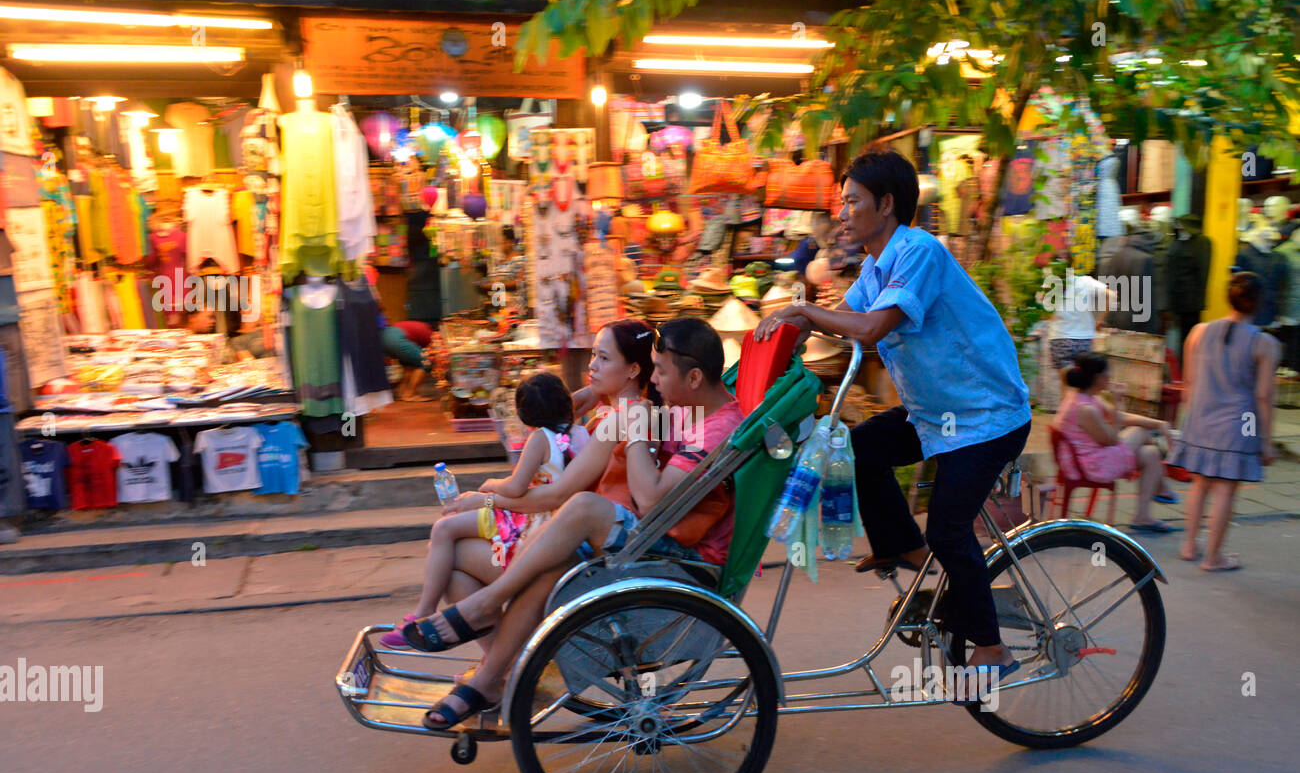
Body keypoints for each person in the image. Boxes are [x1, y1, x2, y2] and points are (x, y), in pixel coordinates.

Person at [754, 146, 1031, 684]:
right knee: (855, 448)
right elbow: (846, 319)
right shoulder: (878, 266)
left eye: (851, 201)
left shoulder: (918, 251)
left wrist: (807, 311)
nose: (841, 213)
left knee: (951, 532)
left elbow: (872, 328)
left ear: (885, 204)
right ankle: (903, 546)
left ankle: (993, 648)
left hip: (987, 416)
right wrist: (794, 329)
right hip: (936, 413)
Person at [404, 317, 745, 730]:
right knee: (497, 561)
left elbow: (649, 498)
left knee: (580, 508)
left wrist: (632, 422)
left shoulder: (701, 424)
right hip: (636, 535)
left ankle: (489, 622)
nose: (654, 381)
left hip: (673, 552)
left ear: (691, 377)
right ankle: (498, 674)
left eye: (660, 372)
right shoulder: (679, 408)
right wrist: (598, 397)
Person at [380, 318, 660, 678]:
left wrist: (484, 499)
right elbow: (565, 415)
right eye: (592, 355)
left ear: (634, 369)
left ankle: (502, 672)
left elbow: (556, 494)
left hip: (569, 538)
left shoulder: (620, 418)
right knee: (449, 545)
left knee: (450, 554)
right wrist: (595, 389)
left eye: (603, 358)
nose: (591, 365)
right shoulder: (615, 409)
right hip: (564, 528)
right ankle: (505, 670)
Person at [380, 371, 590, 650]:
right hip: (544, 521)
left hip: (527, 523)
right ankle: (486, 657)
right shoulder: (583, 434)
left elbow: (515, 488)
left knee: (443, 529)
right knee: (446, 532)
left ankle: (423, 612)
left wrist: (491, 485)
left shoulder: (540, 438)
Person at [1169, 272, 1281, 571]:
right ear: (1258, 302)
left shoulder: (1198, 332)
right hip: (1239, 421)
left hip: (1201, 417)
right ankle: (1214, 557)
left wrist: (1189, 420)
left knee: (1200, 483)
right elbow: (1263, 395)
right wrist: (1265, 441)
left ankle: (1190, 546)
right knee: (1226, 488)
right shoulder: (1265, 343)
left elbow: (1189, 383)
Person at [1051, 352, 1175, 532]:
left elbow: (1120, 418)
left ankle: (1143, 515)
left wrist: (1159, 423)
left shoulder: (1087, 397)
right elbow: (1112, 439)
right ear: (1097, 378)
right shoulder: (1085, 408)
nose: (1110, 376)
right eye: (1107, 373)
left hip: (1088, 458)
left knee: (1151, 453)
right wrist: (1118, 403)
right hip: (1090, 466)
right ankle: (1162, 485)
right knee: (1141, 432)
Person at [379, 318, 436, 401]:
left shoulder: (420, 326)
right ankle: (410, 394)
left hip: (385, 339)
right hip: (397, 339)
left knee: (408, 366)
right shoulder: (431, 333)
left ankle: (402, 392)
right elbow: (431, 351)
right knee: (426, 362)